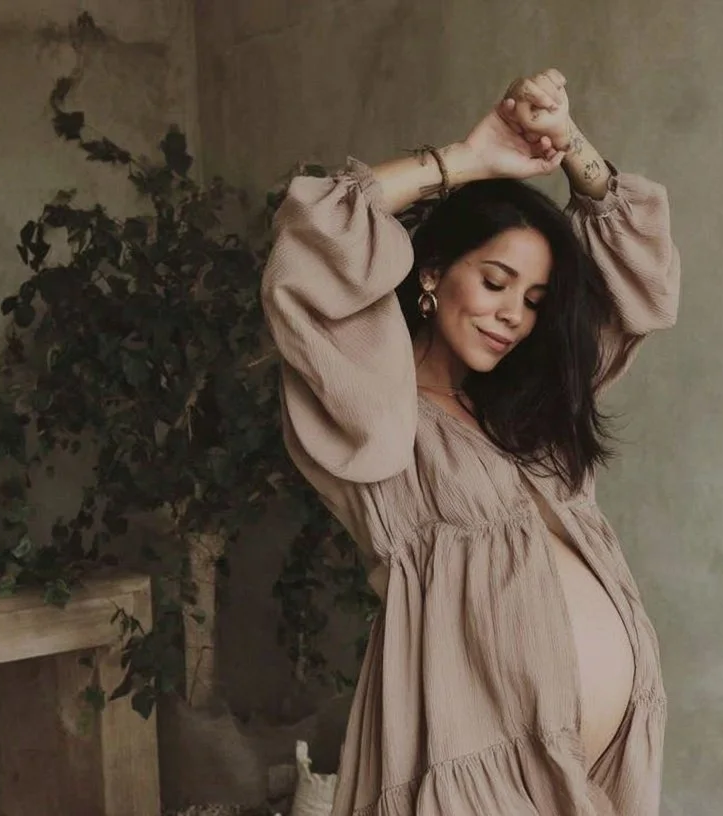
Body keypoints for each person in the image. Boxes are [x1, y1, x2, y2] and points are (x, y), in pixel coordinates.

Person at [261, 69, 680, 816]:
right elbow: (314, 233)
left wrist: (564, 137)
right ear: (431, 275)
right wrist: (472, 157)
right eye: (494, 281)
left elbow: (639, 286)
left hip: (594, 773)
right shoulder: (373, 410)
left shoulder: (531, 413)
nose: (511, 314)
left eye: (532, 300)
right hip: (468, 763)